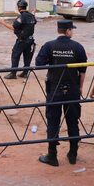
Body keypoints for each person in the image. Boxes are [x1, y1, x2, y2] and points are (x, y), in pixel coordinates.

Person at [35, 19, 87, 166]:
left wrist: (54, 61)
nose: (73, 32)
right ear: (68, 31)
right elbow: (82, 70)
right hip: (72, 89)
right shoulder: (78, 47)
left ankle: (52, 156)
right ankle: (73, 154)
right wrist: (80, 87)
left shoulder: (49, 45)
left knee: (53, 121)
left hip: (54, 89)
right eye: (72, 29)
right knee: (73, 121)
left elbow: (39, 64)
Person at [0, 0, 37, 79]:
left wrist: (3, 22)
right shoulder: (31, 16)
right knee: (27, 57)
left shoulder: (21, 17)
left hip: (22, 41)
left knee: (15, 55)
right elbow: (32, 21)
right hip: (30, 41)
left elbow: (13, 27)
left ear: (19, 8)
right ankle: (25, 72)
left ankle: (13, 73)